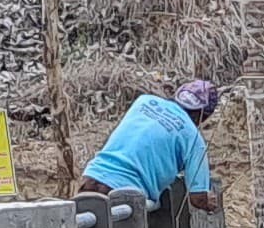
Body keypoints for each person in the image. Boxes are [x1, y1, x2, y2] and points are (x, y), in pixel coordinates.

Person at [79, 78, 220, 206]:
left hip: (91, 177)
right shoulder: (194, 139)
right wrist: (209, 202)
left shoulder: (143, 101)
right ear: (204, 116)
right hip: (126, 195)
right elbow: (197, 198)